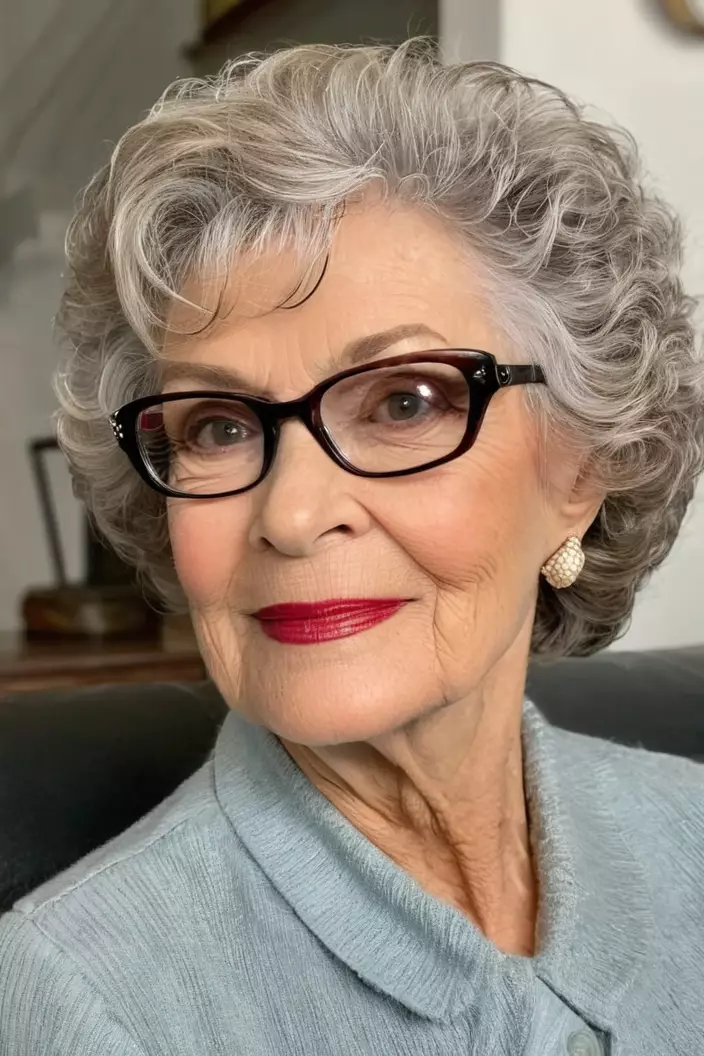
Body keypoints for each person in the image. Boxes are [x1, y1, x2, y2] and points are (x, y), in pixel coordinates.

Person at [1, 38, 703, 1056]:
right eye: (218, 426)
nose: (291, 515)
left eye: (403, 403)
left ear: (584, 471)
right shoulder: (84, 997)